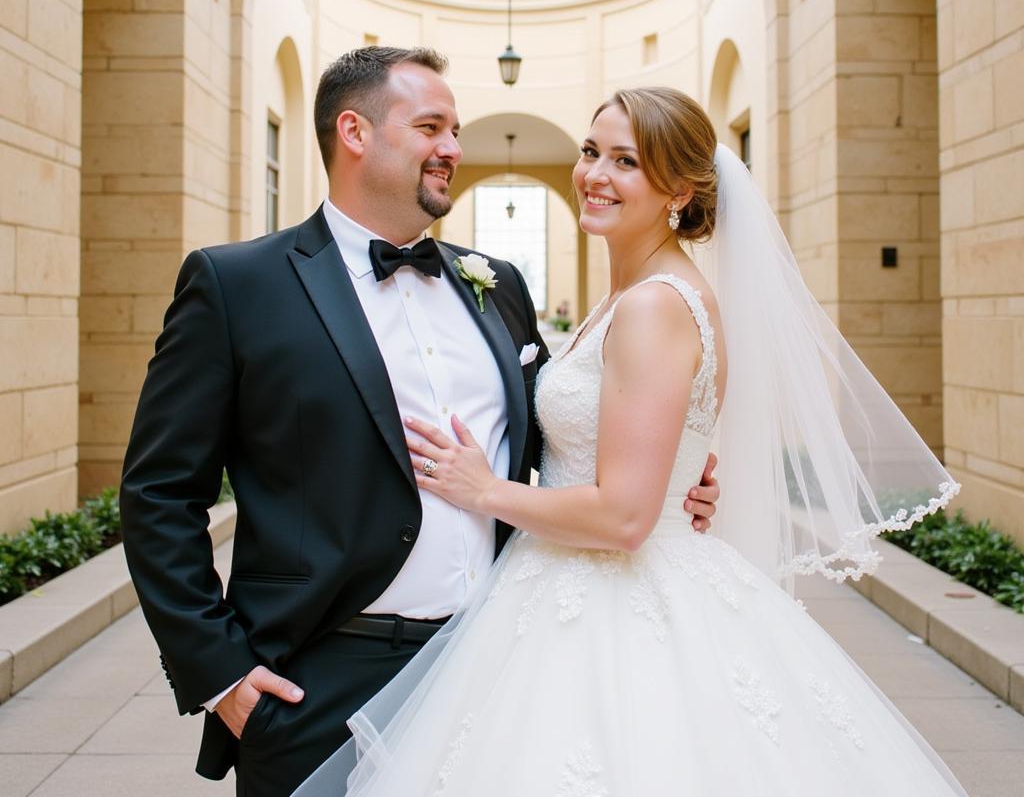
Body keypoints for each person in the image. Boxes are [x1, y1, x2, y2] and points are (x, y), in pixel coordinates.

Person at [293, 87, 966, 796]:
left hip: (614, 599)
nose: (594, 174)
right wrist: (686, 481)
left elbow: (624, 517)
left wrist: (485, 489)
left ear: (677, 189)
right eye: (590, 152)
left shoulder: (652, 306)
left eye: (626, 162)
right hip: (568, 578)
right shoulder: (641, 294)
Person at [118, 49, 721, 797]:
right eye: (432, 127)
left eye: (457, 131)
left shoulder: (497, 285)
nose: (453, 150)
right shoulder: (237, 285)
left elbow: (573, 433)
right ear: (355, 132)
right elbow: (158, 495)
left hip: (502, 662)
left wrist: (674, 480)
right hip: (318, 682)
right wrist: (223, 675)